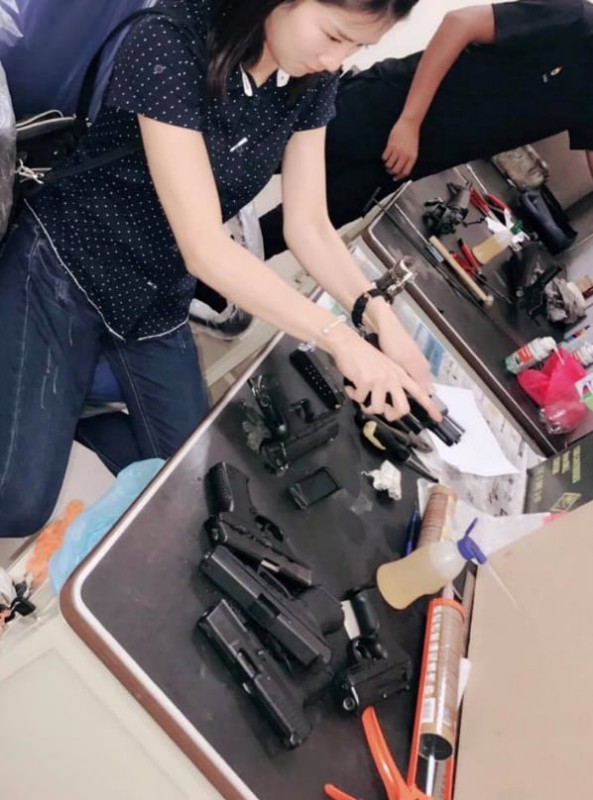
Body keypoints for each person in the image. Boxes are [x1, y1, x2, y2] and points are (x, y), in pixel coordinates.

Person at [0, 0, 440, 539]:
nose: (336, 60)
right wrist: (339, 339)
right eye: (333, 36)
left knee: (202, 492)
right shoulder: (170, 40)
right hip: (68, 263)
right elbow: (205, 247)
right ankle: (49, 397)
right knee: (16, 504)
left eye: (357, 47)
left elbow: (308, 223)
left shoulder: (311, 78)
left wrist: (380, 318)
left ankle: (66, 405)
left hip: (155, 295)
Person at [253, 0, 593, 265]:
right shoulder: (577, 19)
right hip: (385, 109)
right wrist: (410, 122)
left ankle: (220, 287)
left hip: (407, 162)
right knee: (253, 159)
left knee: (288, 232)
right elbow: (460, 23)